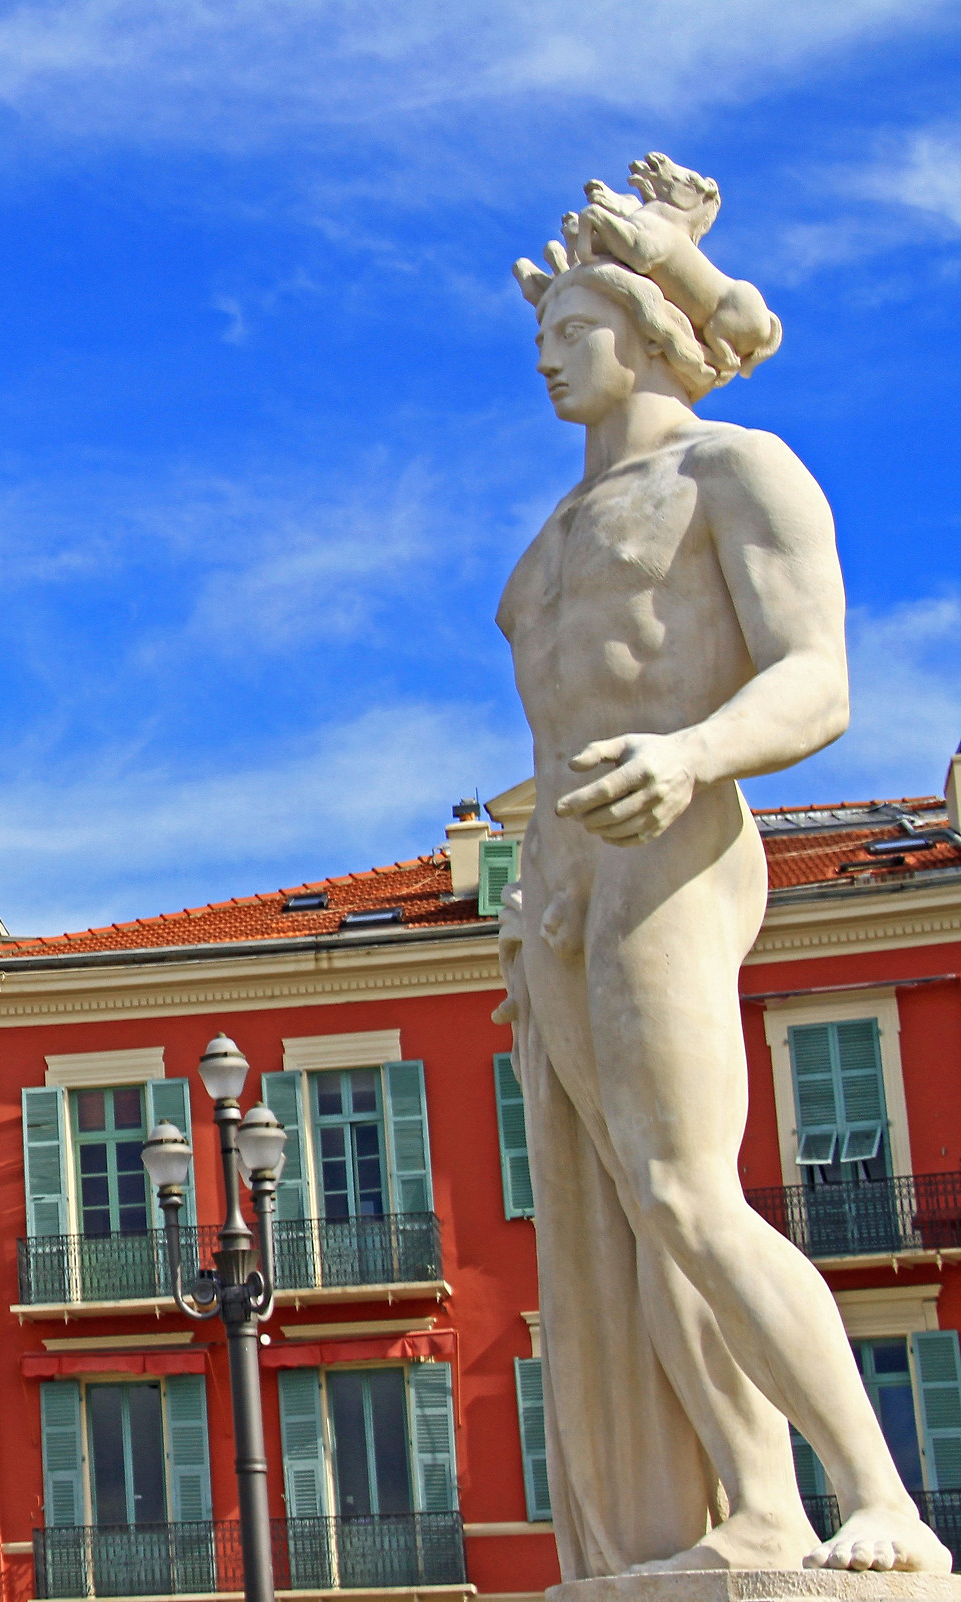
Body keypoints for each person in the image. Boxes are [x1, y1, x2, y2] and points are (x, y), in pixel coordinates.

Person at [496, 157, 947, 1577]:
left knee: (690, 1185)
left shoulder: (735, 470)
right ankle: (754, 1502)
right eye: (546, 335)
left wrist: (691, 757)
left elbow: (818, 681)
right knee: (631, 1216)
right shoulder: (545, 545)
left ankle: (878, 1493)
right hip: (562, 871)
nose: (551, 354)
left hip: (678, 829)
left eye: (573, 330)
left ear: (641, 334)